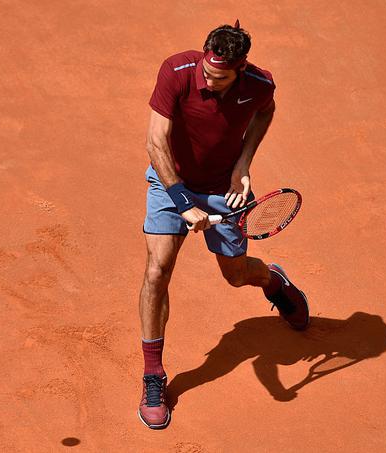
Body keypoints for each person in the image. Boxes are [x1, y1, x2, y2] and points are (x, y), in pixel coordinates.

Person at [138, 21, 310, 430]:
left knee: (235, 275)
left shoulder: (259, 84)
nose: (210, 81)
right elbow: (155, 142)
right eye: (207, 73)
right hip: (170, 183)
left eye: (220, 78)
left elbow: (265, 113)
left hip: (224, 192)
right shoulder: (177, 72)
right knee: (156, 271)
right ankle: (152, 375)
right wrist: (182, 203)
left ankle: (274, 282)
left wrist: (243, 165)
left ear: (240, 69)